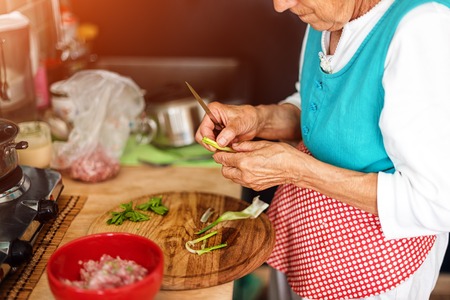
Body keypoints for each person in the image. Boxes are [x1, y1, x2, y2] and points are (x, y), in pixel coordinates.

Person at [195, 0, 450, 299]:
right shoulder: (329, 15)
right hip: (305, 240)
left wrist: (296, 170)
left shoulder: (423, 30)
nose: (281, 6)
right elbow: (325, 108)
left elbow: (436, 202)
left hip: (371, 271)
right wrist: (260, 118)